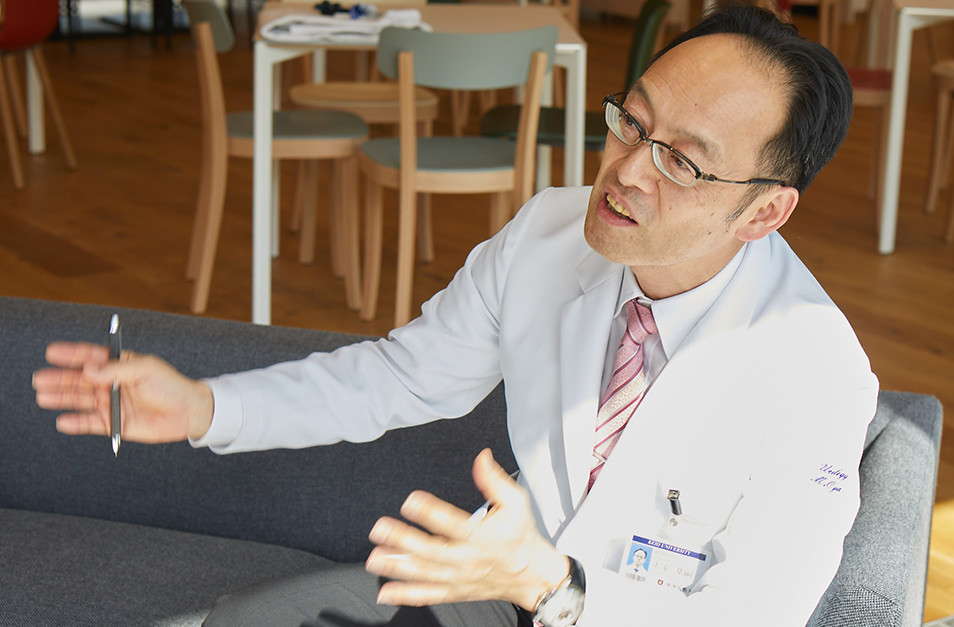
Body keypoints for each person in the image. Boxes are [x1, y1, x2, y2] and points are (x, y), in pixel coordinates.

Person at [33, 4, 879, 626]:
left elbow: (754, 613)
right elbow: (401, 377)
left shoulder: (818, 372)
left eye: (683, 163)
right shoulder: (548, 232)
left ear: (765, 211)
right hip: (491, 594)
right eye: (632, 122)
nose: (626, 171)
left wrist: (553, 585)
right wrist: (206, 405)